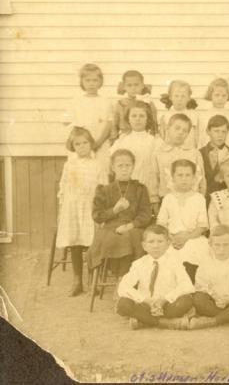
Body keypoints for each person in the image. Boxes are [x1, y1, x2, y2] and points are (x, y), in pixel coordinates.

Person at [57, 127, 108, 296]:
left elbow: (103, 189)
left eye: (85, 142)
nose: (82, 146)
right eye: (77, 144)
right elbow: (63, 187)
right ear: (72, 146)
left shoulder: (98, 165)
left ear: (91, 143)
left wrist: (100, 208)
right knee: (75, 242)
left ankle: (92, 279)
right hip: (72, 207)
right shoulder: (69, 164)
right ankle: (77, 279)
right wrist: (62, 208)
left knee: (92, 242)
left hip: (91, 207)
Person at [88, 149, 152, 282]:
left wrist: (130, 225)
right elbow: (97, 215)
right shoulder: (104, 190)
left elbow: (145, 214)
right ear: (113, 167)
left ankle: (127, 280)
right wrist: (115, 210)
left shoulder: (140, 189)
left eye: (127, 166)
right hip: (110, 228)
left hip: (134, 227)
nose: (124, 169)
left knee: (132, 237)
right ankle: (121, 280)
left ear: (133, 167)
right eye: (120, 166)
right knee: (117, 238)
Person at [116, 225, 194, 330]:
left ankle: (143, 321)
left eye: (160, 241)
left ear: (168, 244)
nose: (155, 246)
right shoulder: (139, 263)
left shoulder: (175, 262)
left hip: (167, 305)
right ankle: (165, 323)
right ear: (144, 246)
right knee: (123, 304)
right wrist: (145, 300)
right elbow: (124, 286)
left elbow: (187, 285)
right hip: (145, 305)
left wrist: (165, 299)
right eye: (151, 242)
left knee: (186, 301)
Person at [188, 225, 229, 329]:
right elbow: (201, 287)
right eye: (217, 245)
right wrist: (215, 297)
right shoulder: (206, 263)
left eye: (226, 245)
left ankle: (214, 321)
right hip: (214, 302)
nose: (221, 249)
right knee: (198, 299)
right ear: (210, 245)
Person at [156, 159, 209, 282]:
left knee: (193, 250)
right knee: (168, 255)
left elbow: (202, 226)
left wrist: (187, 237)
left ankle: (190, 286)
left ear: (194, 178)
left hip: (193, 237)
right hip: (171, 239)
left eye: (188, 175)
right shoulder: (168, 198)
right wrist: (171, 238)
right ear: (172, 178)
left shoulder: (199, 198)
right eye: (180, 175)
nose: (184, 179)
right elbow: (161, 224)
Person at [148, 113, 206, 212]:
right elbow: (153, 177)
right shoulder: (159, 153)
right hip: (166, 199)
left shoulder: (194, 153)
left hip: (190, 201)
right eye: (177, 128)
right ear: (168, 128)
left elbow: (201, 178)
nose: (180, 132)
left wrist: (200, 198)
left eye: (185, 131)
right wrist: (154, 199)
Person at [63, 63, 113, 173]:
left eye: (95, 80)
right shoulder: (75, 101)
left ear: (100, 82)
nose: (91, 84)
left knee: (100, 172)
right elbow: (67, 122)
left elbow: (109, 124)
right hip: (81, 145)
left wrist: (98, 143)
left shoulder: (106, 101)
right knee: (81, 172)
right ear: (82, 82)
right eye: (88, 80)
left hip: (100, 144)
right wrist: (81, 141)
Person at [110, 101, 159, 191]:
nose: (137, 119)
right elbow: (112, 162)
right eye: (134, 116)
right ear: (128, 119)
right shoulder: (122, 141)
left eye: (141, 116)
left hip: (147, 186)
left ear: (147, 119)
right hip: (125, 187)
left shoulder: (154, 141)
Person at [111, 70, 157, 143]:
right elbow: (114, 125)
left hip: (144, 137)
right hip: (125, 137)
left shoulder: (148, 103)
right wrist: (114, 140)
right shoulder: (120, 104)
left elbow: (154, 125)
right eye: (129, 85)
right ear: (124, 87)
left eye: (136, 85)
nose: (133, 88)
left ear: (142, 85)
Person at [200, 114, 229, 204]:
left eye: (224, 132)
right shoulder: (199, 153)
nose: (220, 135)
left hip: (226, 201)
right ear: (208, 131)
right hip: (204, 200)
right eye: (216, 131)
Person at [198, 78, 229, 150]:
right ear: (210, 95)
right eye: (217, 95)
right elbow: (201, 139)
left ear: (228, 96)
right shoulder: (203, 116)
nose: (220, 98)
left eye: (224, 95)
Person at [158, 80, 199, 150]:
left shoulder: (194, 116)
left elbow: (197, 138)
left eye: (183, 96)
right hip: (170, 151)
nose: (179, 99)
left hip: (188, 151)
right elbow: (162, 137)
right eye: (176, 96)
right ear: (170, 97)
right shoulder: (165, 116)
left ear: (189, 98)